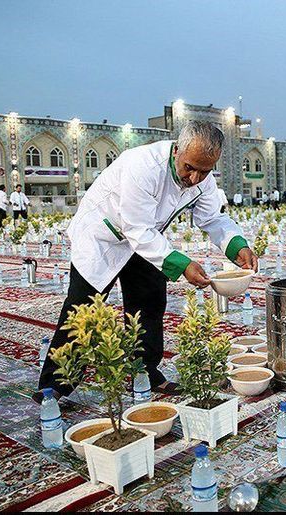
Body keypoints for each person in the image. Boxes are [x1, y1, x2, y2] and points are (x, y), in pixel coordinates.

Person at [35, 121, 257, 403]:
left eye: (205, 170)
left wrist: (238, 245)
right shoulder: (142, 166)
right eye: (190, 167)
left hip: (145, 239)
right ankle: (55, 384)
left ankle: (146, 374)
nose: (195, 178)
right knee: (83, 309)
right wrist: (183, 265)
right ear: (177, 149)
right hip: (102, 237)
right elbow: (135, 228)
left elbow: (213, 218)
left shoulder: (204, 182)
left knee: (150, 301)